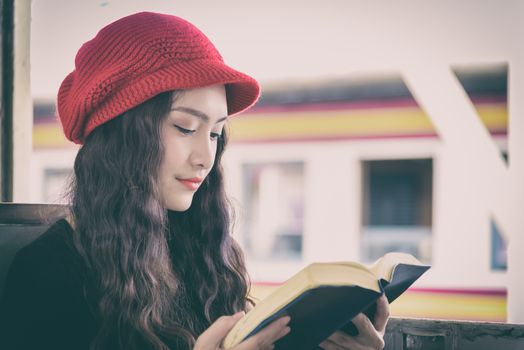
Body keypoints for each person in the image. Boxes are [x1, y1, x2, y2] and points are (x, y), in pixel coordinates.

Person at [0, 12, 389, 350]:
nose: (206, 158)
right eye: (185, 127)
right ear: (121, 138)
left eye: (216, 134)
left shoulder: (201, 253)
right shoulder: (46, 274)